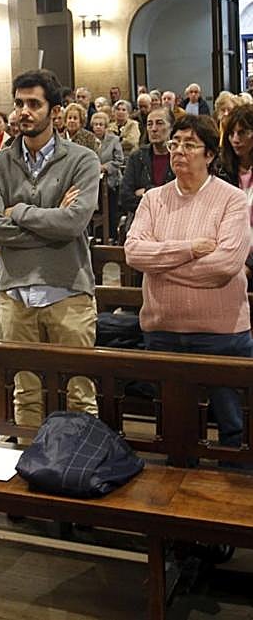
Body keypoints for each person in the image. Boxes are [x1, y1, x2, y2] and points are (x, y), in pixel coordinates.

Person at [0, 70, 100, 430]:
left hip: (68, 291)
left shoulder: (82, 159)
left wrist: (18, 212)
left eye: (34, 104)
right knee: (26, 394)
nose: (24, 112)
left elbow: (73, 224)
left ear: (55, 111)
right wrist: (52, 222)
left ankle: (79, 460)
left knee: (79, 393)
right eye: (19, 103)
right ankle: (31, 459)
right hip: (16, 294)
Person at [125, 115, 251, 451]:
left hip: (221, 335)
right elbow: (134, 253)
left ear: (209, 154)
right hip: (163, 330)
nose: (179, 151)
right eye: (175, 143)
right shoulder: (154, 199)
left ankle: (231, 481)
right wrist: (190, 249)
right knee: (175, 427)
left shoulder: (232, 199)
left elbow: (225, 265)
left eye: (190, 144)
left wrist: (159, 265)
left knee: (234, 427)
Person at [120, 107, 175, 223]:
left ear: (171, 127)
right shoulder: (137, 157)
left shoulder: (179, 157)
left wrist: (146, 191)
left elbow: (180, 196)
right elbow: (125, 197)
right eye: (150, 124)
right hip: (141, 220)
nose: (154, 129)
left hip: (174, 219)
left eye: (159, 123)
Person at [219, 104, 253, 287]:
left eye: (242, 133)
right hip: (230, 259)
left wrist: (249, 265)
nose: (235, 139)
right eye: (231, 134)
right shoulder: (222, 172)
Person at [91, 111, 124, 242]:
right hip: (94, 182)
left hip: (111, 182)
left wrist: (104, 167)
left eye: (101, 124)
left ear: (106, 127)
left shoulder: (114, 140)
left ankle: (112, 237)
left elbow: (119, 160)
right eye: (95, 124)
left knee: (111, 211)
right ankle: (98, 236)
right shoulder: (89, 140)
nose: (98, 127)